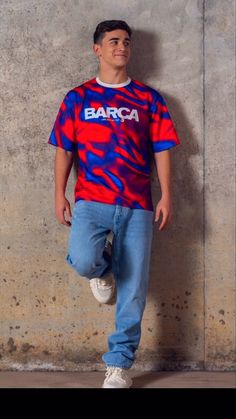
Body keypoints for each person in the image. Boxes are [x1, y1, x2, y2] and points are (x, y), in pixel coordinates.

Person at [48, 20, 181, 388]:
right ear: (97, 49)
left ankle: (119, 364)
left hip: (137, 203)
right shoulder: (78, 98)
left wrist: (167, 194)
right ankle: (103, 270)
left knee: (134, 287)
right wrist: (59, 193)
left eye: (126, 42)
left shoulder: (149, 99)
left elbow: (163, 149)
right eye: (113, 41)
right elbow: (64, 148)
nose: (121, 47)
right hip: (91, 200)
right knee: (84, 259)